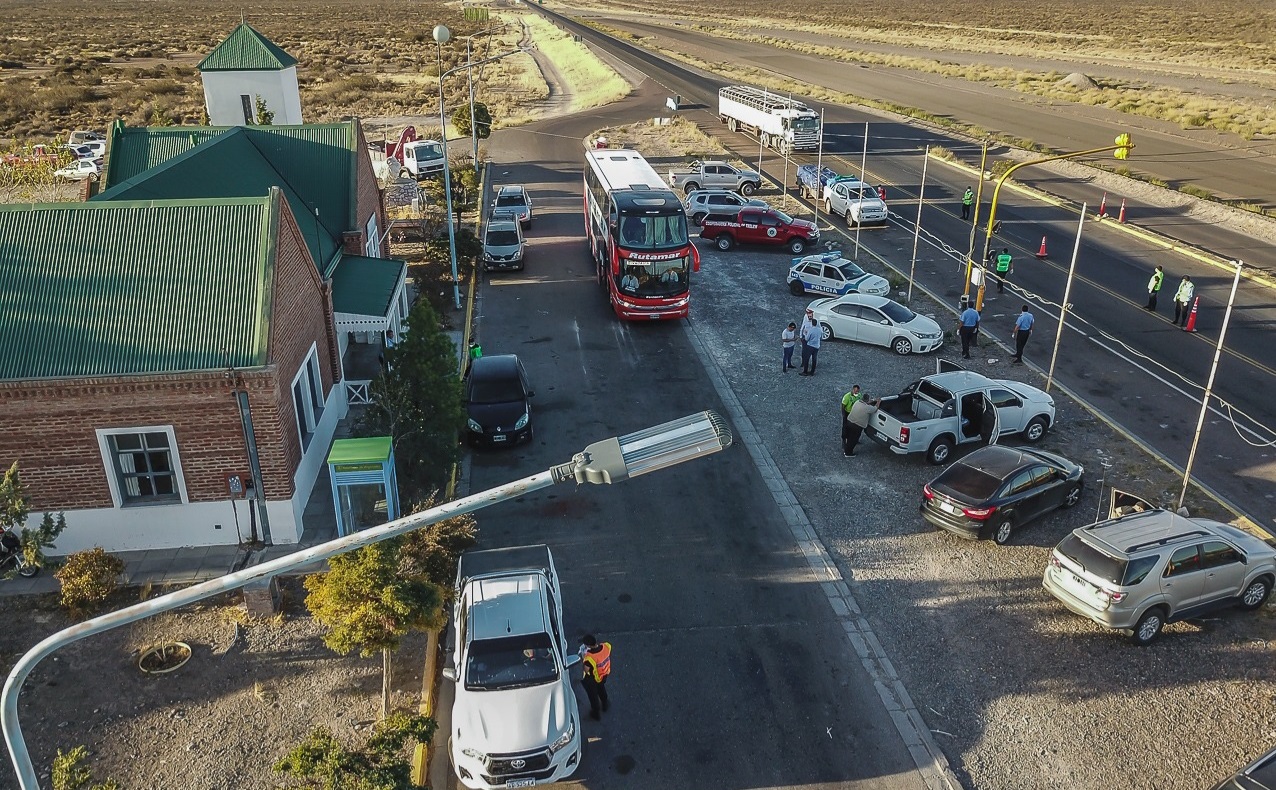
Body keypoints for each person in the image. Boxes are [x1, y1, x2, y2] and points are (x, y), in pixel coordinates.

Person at [578, 634, 611, 720]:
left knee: (593, 696)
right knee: (601, 689)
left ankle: (596, 714)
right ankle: (605, 704)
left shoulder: (589, 658)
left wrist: (583, 658)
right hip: (604, 674)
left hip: (593, 679)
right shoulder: (606, 646)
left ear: (588, 646)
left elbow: (586, 670)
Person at [840, 385, 862, 455]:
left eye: (858, 391)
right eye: (855, 391)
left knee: (855, 426)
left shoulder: (859, 395)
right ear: (852, 390)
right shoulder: (847, 396)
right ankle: (844, 441)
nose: (856, 392)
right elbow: (843, 406)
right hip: (848, 413)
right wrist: (844, 415)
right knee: (845, 427)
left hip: (855, 413)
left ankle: (854, 440)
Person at [799, 310, 821, 376]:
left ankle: (805, 371)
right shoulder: (819, 330)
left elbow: (807, 338)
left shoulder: (811, 330)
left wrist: (804, 336)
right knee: (814, 358)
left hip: (810, 345)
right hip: (816, 346)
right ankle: (812, 372)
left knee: (807, 357)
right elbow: (821, 336)